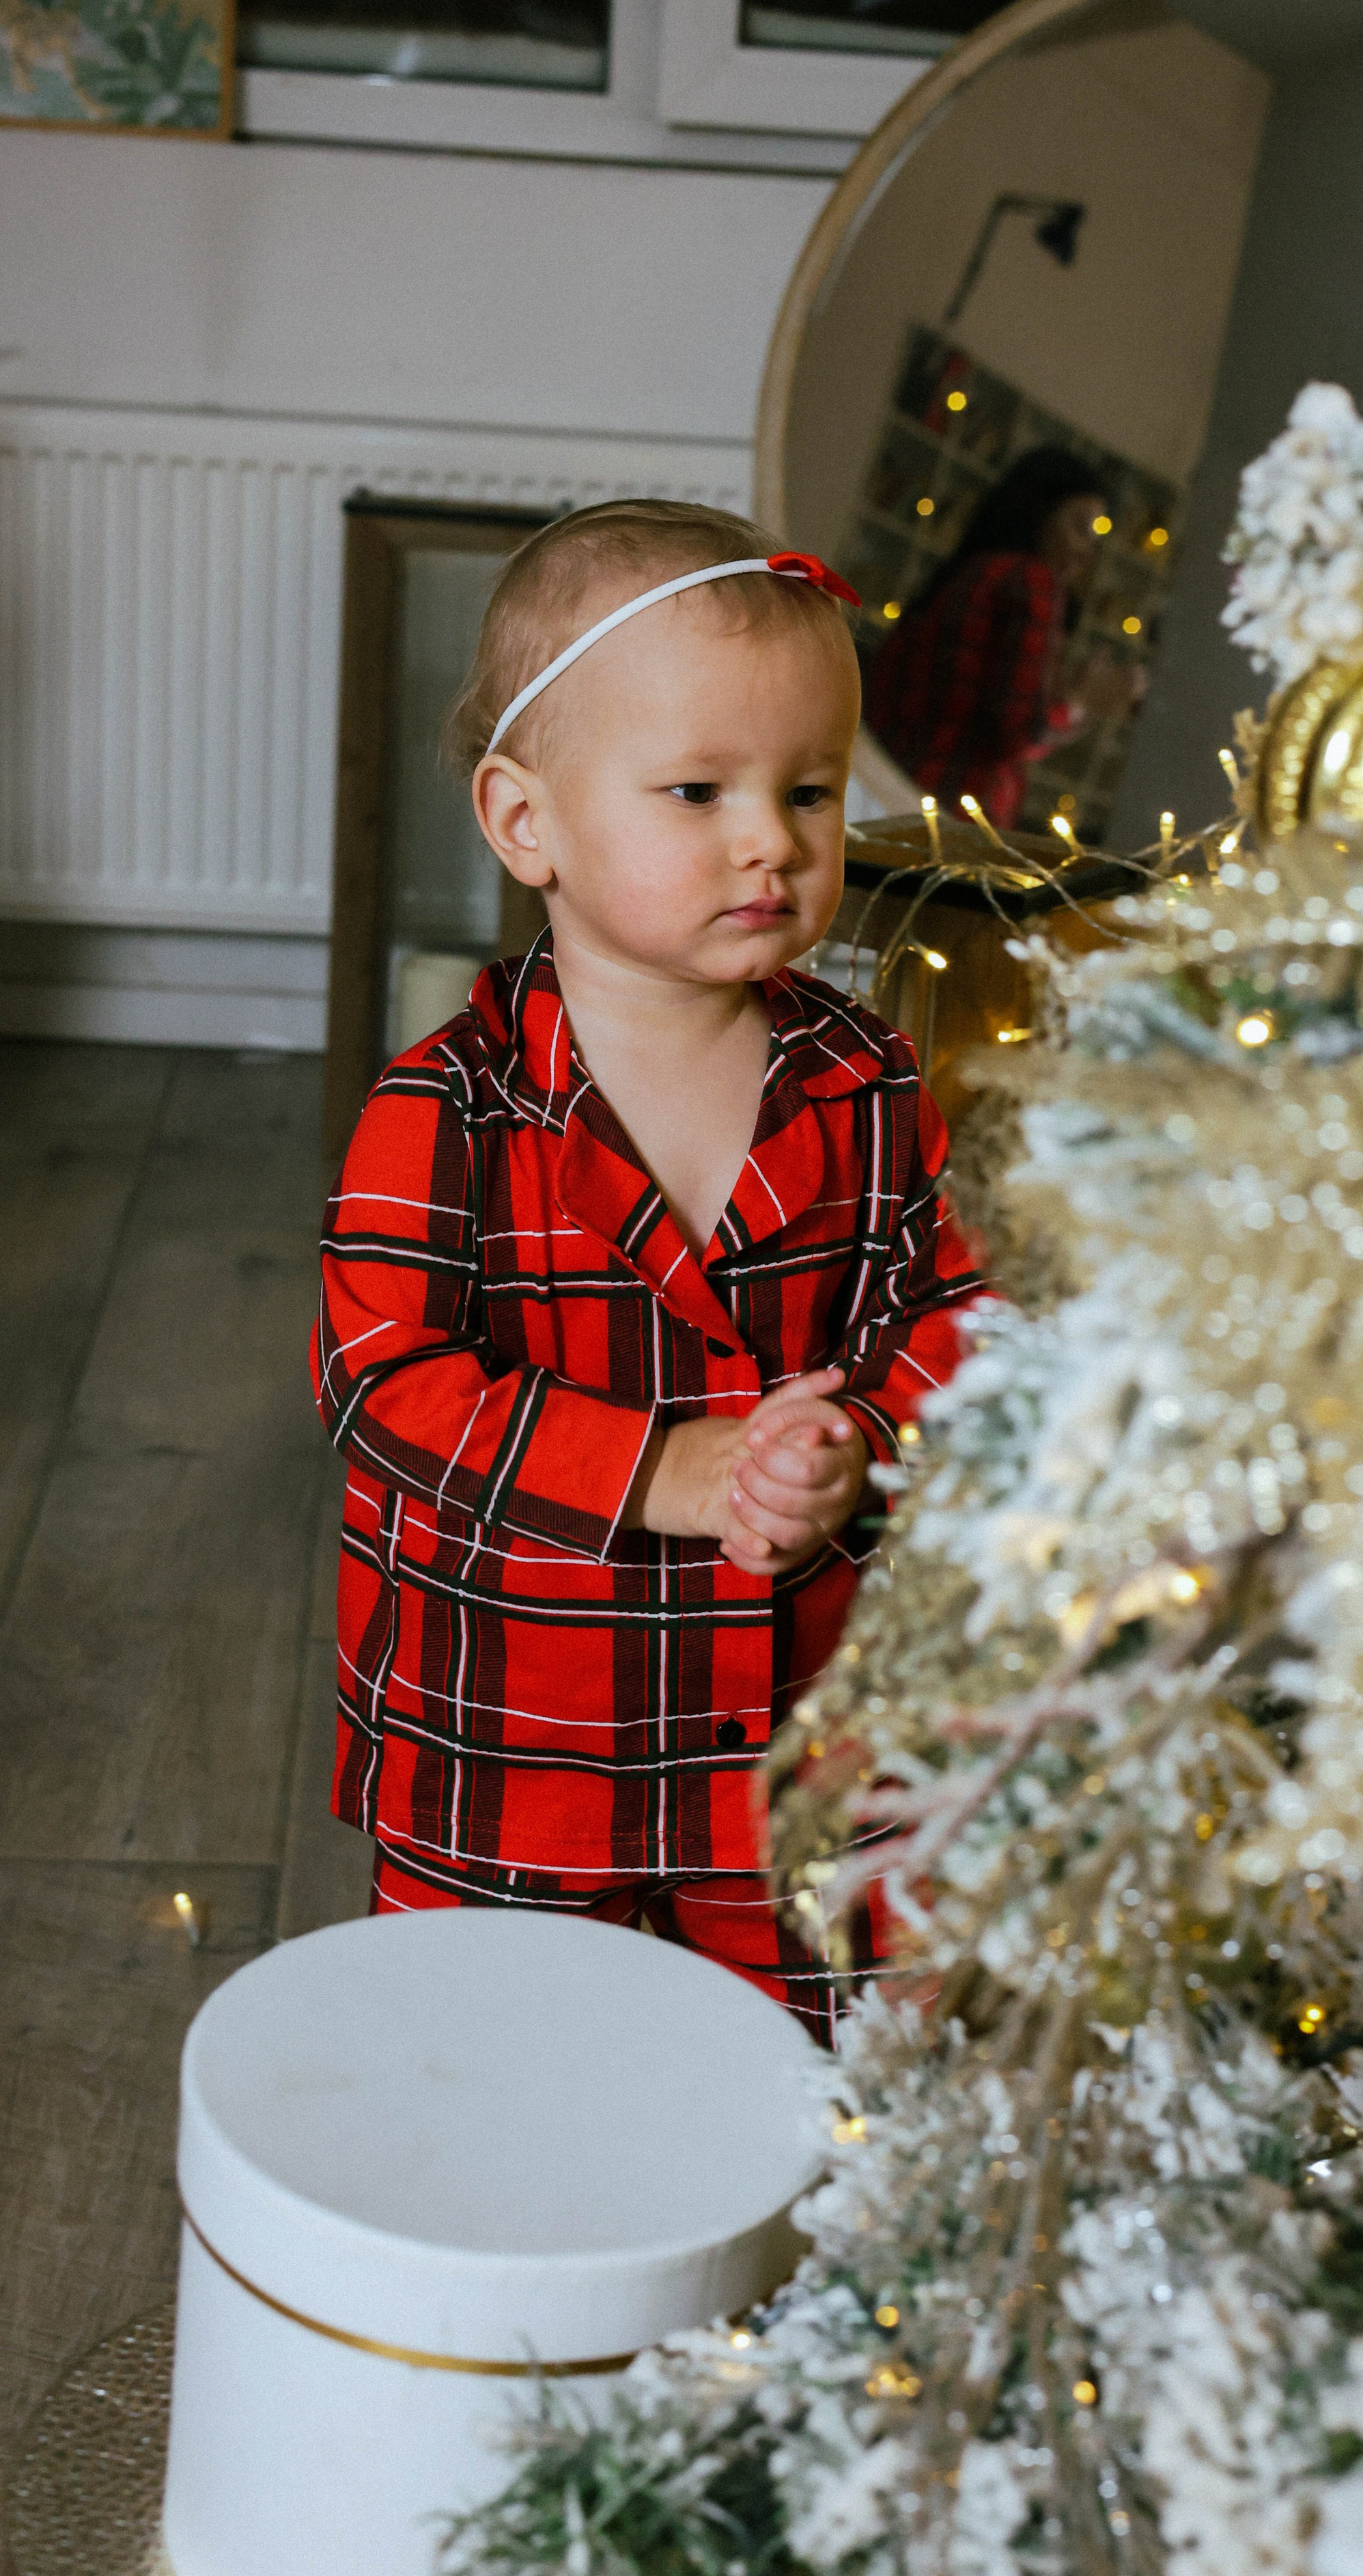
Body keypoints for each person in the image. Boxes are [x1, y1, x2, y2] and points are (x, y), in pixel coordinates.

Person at [311, 500, 988, 2043]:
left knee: (793, 2082)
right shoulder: (447, 1108)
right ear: (523, 820)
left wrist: (861, 1438)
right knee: (489, 2074)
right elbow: (384, 1382)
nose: (770, 838)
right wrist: (665, 1468)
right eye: (697, 789)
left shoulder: (865, 1082)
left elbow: (956, 1311)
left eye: (807, 790)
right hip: (515, 1760)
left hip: (792, 1749)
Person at [862, 443, 1144, 830]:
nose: (1086, 552)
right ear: (1040, 513)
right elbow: (1021, 733)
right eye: (1080, 527)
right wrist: (1082, 704)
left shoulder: (972, 573)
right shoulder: (1032, 580)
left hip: (884, 797)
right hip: (948, 824)